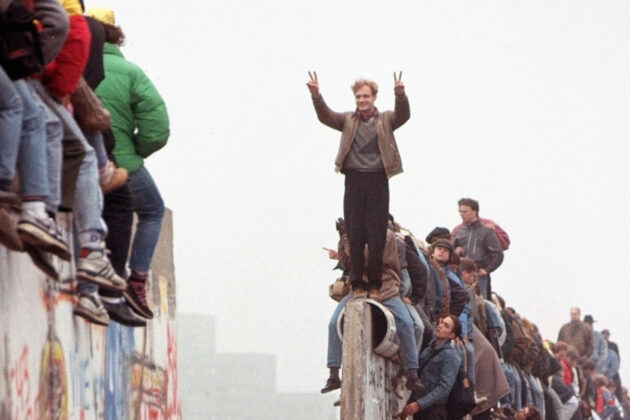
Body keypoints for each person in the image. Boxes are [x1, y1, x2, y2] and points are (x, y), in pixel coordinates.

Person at [88, 7, 170, 319]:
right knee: (151, 209)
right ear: (115, 35)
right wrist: (133, 150)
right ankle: (136, 281)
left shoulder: (74, 60)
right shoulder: (131, 73)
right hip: (119, 160)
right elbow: (157, 128)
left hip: (74, 160)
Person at [307, 72, 409, 298]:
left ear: (374, 97)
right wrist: (316, 96)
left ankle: (374, 283)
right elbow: (326, 116)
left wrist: (400, 94)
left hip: (378, 179)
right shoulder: (348, 120)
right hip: (354, 178)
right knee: (355, 234)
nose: (362, 100)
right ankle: (357, 283)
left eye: (366, 96)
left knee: (376, 235)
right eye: (358, 97)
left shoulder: (385, 120)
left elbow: (403, 116)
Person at [321, 221, 422, 394]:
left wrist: (350, 239)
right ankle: (333, 373)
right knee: (333, 323)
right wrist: (344, 237)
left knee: (407, 323)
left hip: (387, 289)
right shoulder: (353, 235)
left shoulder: (389, 237)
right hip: (358, 290)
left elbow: (368, 258)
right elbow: (348, 264)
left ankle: (412, 372)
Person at [396, 315, 463, 420]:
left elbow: (444, 388)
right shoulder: (430, 348)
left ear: (452, 335)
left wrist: (418, 404)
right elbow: (421, 378)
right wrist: (409, 405)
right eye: (441, 322)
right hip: (421, 410)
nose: (440, 326)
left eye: (446, 326)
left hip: (434, 411)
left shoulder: (451, 355)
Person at [452, 198, 504, 299]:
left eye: (465, 211)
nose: (462, 214)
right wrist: (456, 253)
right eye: (460, 211)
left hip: (479, 275)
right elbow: (451, 253)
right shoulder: (459, 232)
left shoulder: (486, 232)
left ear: (474, 211)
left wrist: (487, 269)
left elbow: (498, 254)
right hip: (460, 274)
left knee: (481, 303)